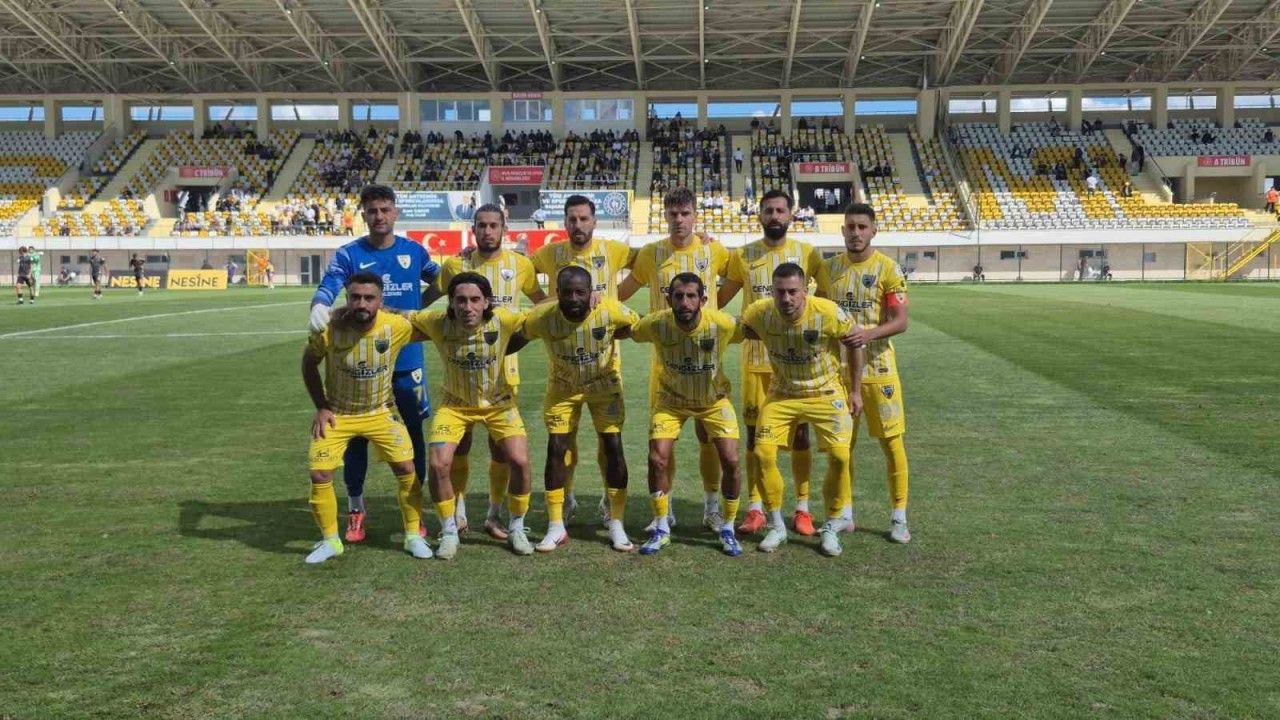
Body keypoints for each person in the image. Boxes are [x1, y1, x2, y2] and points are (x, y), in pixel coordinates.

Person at [310, 184, 443, 543]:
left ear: (395, 212)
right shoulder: (350, 253)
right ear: (364, 215)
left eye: (385, 209)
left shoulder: (414, 251)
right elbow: (330, 284)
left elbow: (442, 280)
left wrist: (419, 306)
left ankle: (416, 511)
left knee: (413, 433)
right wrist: (320, 304)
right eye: (372, 211)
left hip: (407, 360)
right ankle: (356, 509)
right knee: (355, 437)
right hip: (360, 360)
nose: (379, 216)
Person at [616, 187, 731, 531]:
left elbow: (736, 280)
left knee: (708, 437)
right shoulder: (651, 254)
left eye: (685, 213)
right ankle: (664, 512)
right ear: (664, 215)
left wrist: (710, 314)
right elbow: (621, 293)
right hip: (665, 365)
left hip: (707, 363)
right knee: (664, 442)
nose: (679, 220)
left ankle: (711, 507)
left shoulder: (714, 251)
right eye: (673, 213)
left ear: (696, 215)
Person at [299, 272, 433, 564]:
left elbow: (435, 327)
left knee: (406, 469)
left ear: (380, 300)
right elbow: (308, 363)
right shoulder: (329, 329)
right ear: (347, 298)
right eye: (355, 297)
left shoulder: (396, 326)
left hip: (380, 411)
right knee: (319, 473)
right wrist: (321, 406)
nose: (362, 303)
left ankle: (413, 535)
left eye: (369, 298)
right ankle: (331, 541)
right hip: (338, 414)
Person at [434, 204, 547, 539]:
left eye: (493, 225)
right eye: (481, 225)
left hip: (503, 371)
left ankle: (494, 513)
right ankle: (458, 508)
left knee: (502, 449)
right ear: (473, 229)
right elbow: (433, 297)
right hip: (462, 370)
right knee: (460, 444)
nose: (487, 231)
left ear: (504, 229)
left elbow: (541, 302)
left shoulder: (521, 265)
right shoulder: (456, 265)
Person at [717, 189, 823, 537]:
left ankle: (802, 508)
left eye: (780, 210)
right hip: (755, 360)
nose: (774, 216)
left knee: (800, 435)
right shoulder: (743, 255)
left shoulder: (807, 254)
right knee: (754, 436)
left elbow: (826, 297)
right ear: (759, 215)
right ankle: (755, 507)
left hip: (796, 362)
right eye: (768, 211)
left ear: (792, 214)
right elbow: (719, 298)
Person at [514, 266, 640, 553]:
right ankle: (556, 525)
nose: (573, 298)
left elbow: (636, 326)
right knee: (556, 448)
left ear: (591, 292)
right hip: (563, 389)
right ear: (557, 293)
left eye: (580, 292)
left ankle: (616, 522)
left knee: (613, 446)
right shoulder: (543, 317)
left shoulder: (609, 309)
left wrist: (612, 333)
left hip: (604, 387)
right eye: (567, 292)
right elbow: (518, 337)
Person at [741, 263, 864, 555]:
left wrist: (855, 390)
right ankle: (776, 526)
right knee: (762, 453)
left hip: (826, 393)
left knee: (840, 456)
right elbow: (738, 329)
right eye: (780, 292)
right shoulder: (759, 312)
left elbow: (856, 343)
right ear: (772, 292)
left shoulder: (827, 312)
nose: (786, 298)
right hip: (782, 394)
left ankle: (831, 525)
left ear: (805, 290)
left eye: (793, 292)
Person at [413, 272, 536, 558]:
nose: (467, 307)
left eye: (474, 300)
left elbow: (544, 313)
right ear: (451, 302)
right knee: (439, 464)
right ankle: (449, 531)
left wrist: (593, 297)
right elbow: (398, 316)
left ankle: (516, 527)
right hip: (454, 406)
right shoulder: (436, 322)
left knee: (520, 461)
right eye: (460, 300)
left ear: (486, 302)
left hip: (499, 404)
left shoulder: (504, 319)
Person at [530, 195, 636, 521]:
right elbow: (516, 269)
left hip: (604, 364)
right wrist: (544, 303)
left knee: (609, 440)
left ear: (594, 221)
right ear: (564, 222)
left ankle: (608, 500)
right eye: (572, 219)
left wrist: (616, 303)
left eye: (584, 218)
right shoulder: (549, 253)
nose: (578, 225)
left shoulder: (614, 250)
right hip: (563, 363)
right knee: (565, 439)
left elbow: (652, 261)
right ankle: (568, 496)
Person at [815, 203, 913, 544]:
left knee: (892, 443)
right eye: (850, 227)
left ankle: (899, 516)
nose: (855, 233)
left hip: (879, 371)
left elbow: (901, 321)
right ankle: (845, 514)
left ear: (873, 230)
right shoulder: (828, 269)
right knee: (841, 448)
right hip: (838, 376)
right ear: (842, 230)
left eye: (861, 227)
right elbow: (820, 313)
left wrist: (867, 335)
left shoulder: (888, 268)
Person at [628, 273, 745, 557]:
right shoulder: (656, 324)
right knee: (657, 458)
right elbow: (628, 328)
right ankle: (661, 526)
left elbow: (753, 329)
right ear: (668, 299)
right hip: (671, 401)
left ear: (703, 299)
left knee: (731, 460)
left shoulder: (721, 324)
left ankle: (728, 527)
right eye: (678, 296)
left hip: (713, 401)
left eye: (691, 296)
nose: (684, 302)